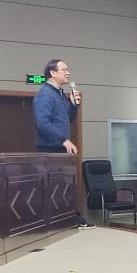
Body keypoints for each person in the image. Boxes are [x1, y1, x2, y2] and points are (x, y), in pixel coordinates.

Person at [33, 59, 93, 229]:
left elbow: (66, 119)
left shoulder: (60, 93)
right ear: (52, 73)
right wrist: (64, 139)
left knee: (64, 186)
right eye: (64, 70)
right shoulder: (45, 94)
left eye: (68, 69)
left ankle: (68, 218)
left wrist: (73, 105)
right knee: (53, 187)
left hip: (59, 148)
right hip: (50, 150)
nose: (68, 73)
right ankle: (55, 221)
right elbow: (42, 124)